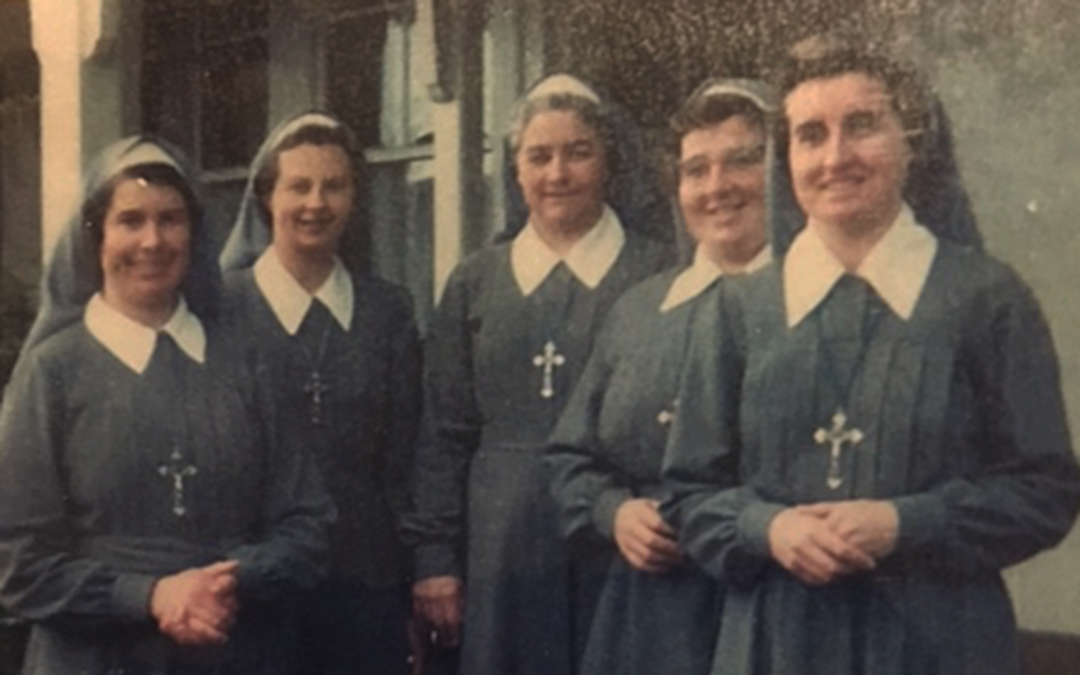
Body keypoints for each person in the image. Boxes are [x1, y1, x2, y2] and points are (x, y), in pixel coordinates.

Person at [661, 35, 1080, 675]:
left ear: (911, 140)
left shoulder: (986, 299)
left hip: (940, 643)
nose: (836, 157)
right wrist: (767, 529)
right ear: (787, 157)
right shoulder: (740, 311)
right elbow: (689, 494)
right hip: (775, 646)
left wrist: (904, 523)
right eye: (810, 134)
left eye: (862, 126)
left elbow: (1044, 491)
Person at [0, 137, 333, 675]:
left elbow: (307, 526)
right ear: (95, 236)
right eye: (130, 220)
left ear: (195, 233)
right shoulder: (53, 373)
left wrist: (225, 583)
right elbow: (16, 564)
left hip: (234, 649)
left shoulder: (251, 361)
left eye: (171, 220)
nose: (152, 241)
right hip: (95, 658)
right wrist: (148, 595)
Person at [405, 74, 674, 675]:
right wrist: (434, 560)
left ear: (609, 161)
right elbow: (444, 434)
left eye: (578, 152)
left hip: (618, 536)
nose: (558, 173)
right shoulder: (475, 281)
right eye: (539, 156)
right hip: (501, 544)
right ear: (516, 170)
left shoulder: (655, 270)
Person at [545, 78, 782, 675]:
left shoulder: (817, 306)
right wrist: (614, 513)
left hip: (769, 608)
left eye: (743, 162)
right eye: (696, 170)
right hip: (648, 617)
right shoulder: (639, 310)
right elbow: (571, 456)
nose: (717, 187)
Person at [218, 112, 422, 675]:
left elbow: (404, 458)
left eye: (334, 186)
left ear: (355, 197)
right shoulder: (219, 310)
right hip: (254, 578)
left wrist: (412, 578)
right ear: (266, 198)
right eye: (298, 186)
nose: (316, 203)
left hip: (364, 578)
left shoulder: (387, 309)